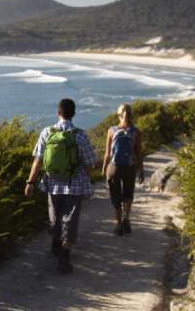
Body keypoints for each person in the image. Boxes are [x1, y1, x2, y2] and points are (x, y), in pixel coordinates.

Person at [25, 98, 97, 273]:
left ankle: (55, 245)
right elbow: (90, 163)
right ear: (73, 114)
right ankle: (64, 256)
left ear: (58, 113)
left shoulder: (47, 132)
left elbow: (38, 160)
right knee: (69, 220)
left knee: (55, 217)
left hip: (52, 183)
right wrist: (86, 179)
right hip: (74, 185)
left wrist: (30, 182)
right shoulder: (80, 135)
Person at [101, 103, 144, 235]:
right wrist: (141, 169)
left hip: (114, 168)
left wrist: (104, 169)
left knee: (115, 196)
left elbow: (107, 153)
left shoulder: (111, 130)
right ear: (131, 114)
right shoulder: (136, 132)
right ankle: (126, 219)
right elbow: (138, 153)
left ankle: (118, 224)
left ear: (118, 115)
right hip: (129, 167)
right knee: (128, 194)